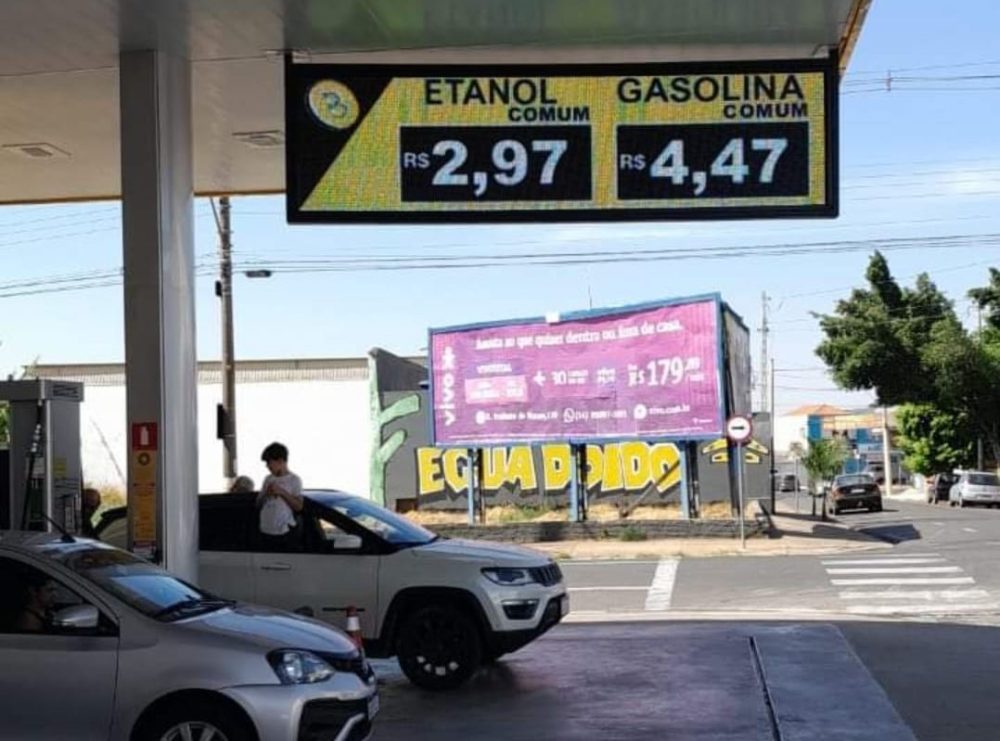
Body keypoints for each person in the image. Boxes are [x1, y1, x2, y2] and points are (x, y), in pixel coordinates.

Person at [257, 442, 304, 551]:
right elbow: (258, 504)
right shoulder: (268, 479)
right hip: (265, 531)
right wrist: (266, 494)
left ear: (280, 461)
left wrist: (282, 492)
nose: (267, 466)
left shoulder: (294, 480)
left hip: (284, 532)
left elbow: (299, 506)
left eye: (269, 462)